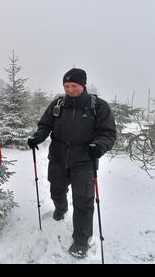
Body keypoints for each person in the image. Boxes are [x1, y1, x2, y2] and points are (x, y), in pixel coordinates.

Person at [27, 68, 116, 258]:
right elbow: (45, 125)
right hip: (58, 158)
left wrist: (98, 146)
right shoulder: (58, 104)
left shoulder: (98, 106)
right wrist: (37, 137)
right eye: (66, 86)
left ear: (82, 85)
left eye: (73, 86)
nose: (69, 89)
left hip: (84, 161)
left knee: (83, 202)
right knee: (56, 190)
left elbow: (108, 133)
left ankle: (81, 240)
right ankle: (61, 208)